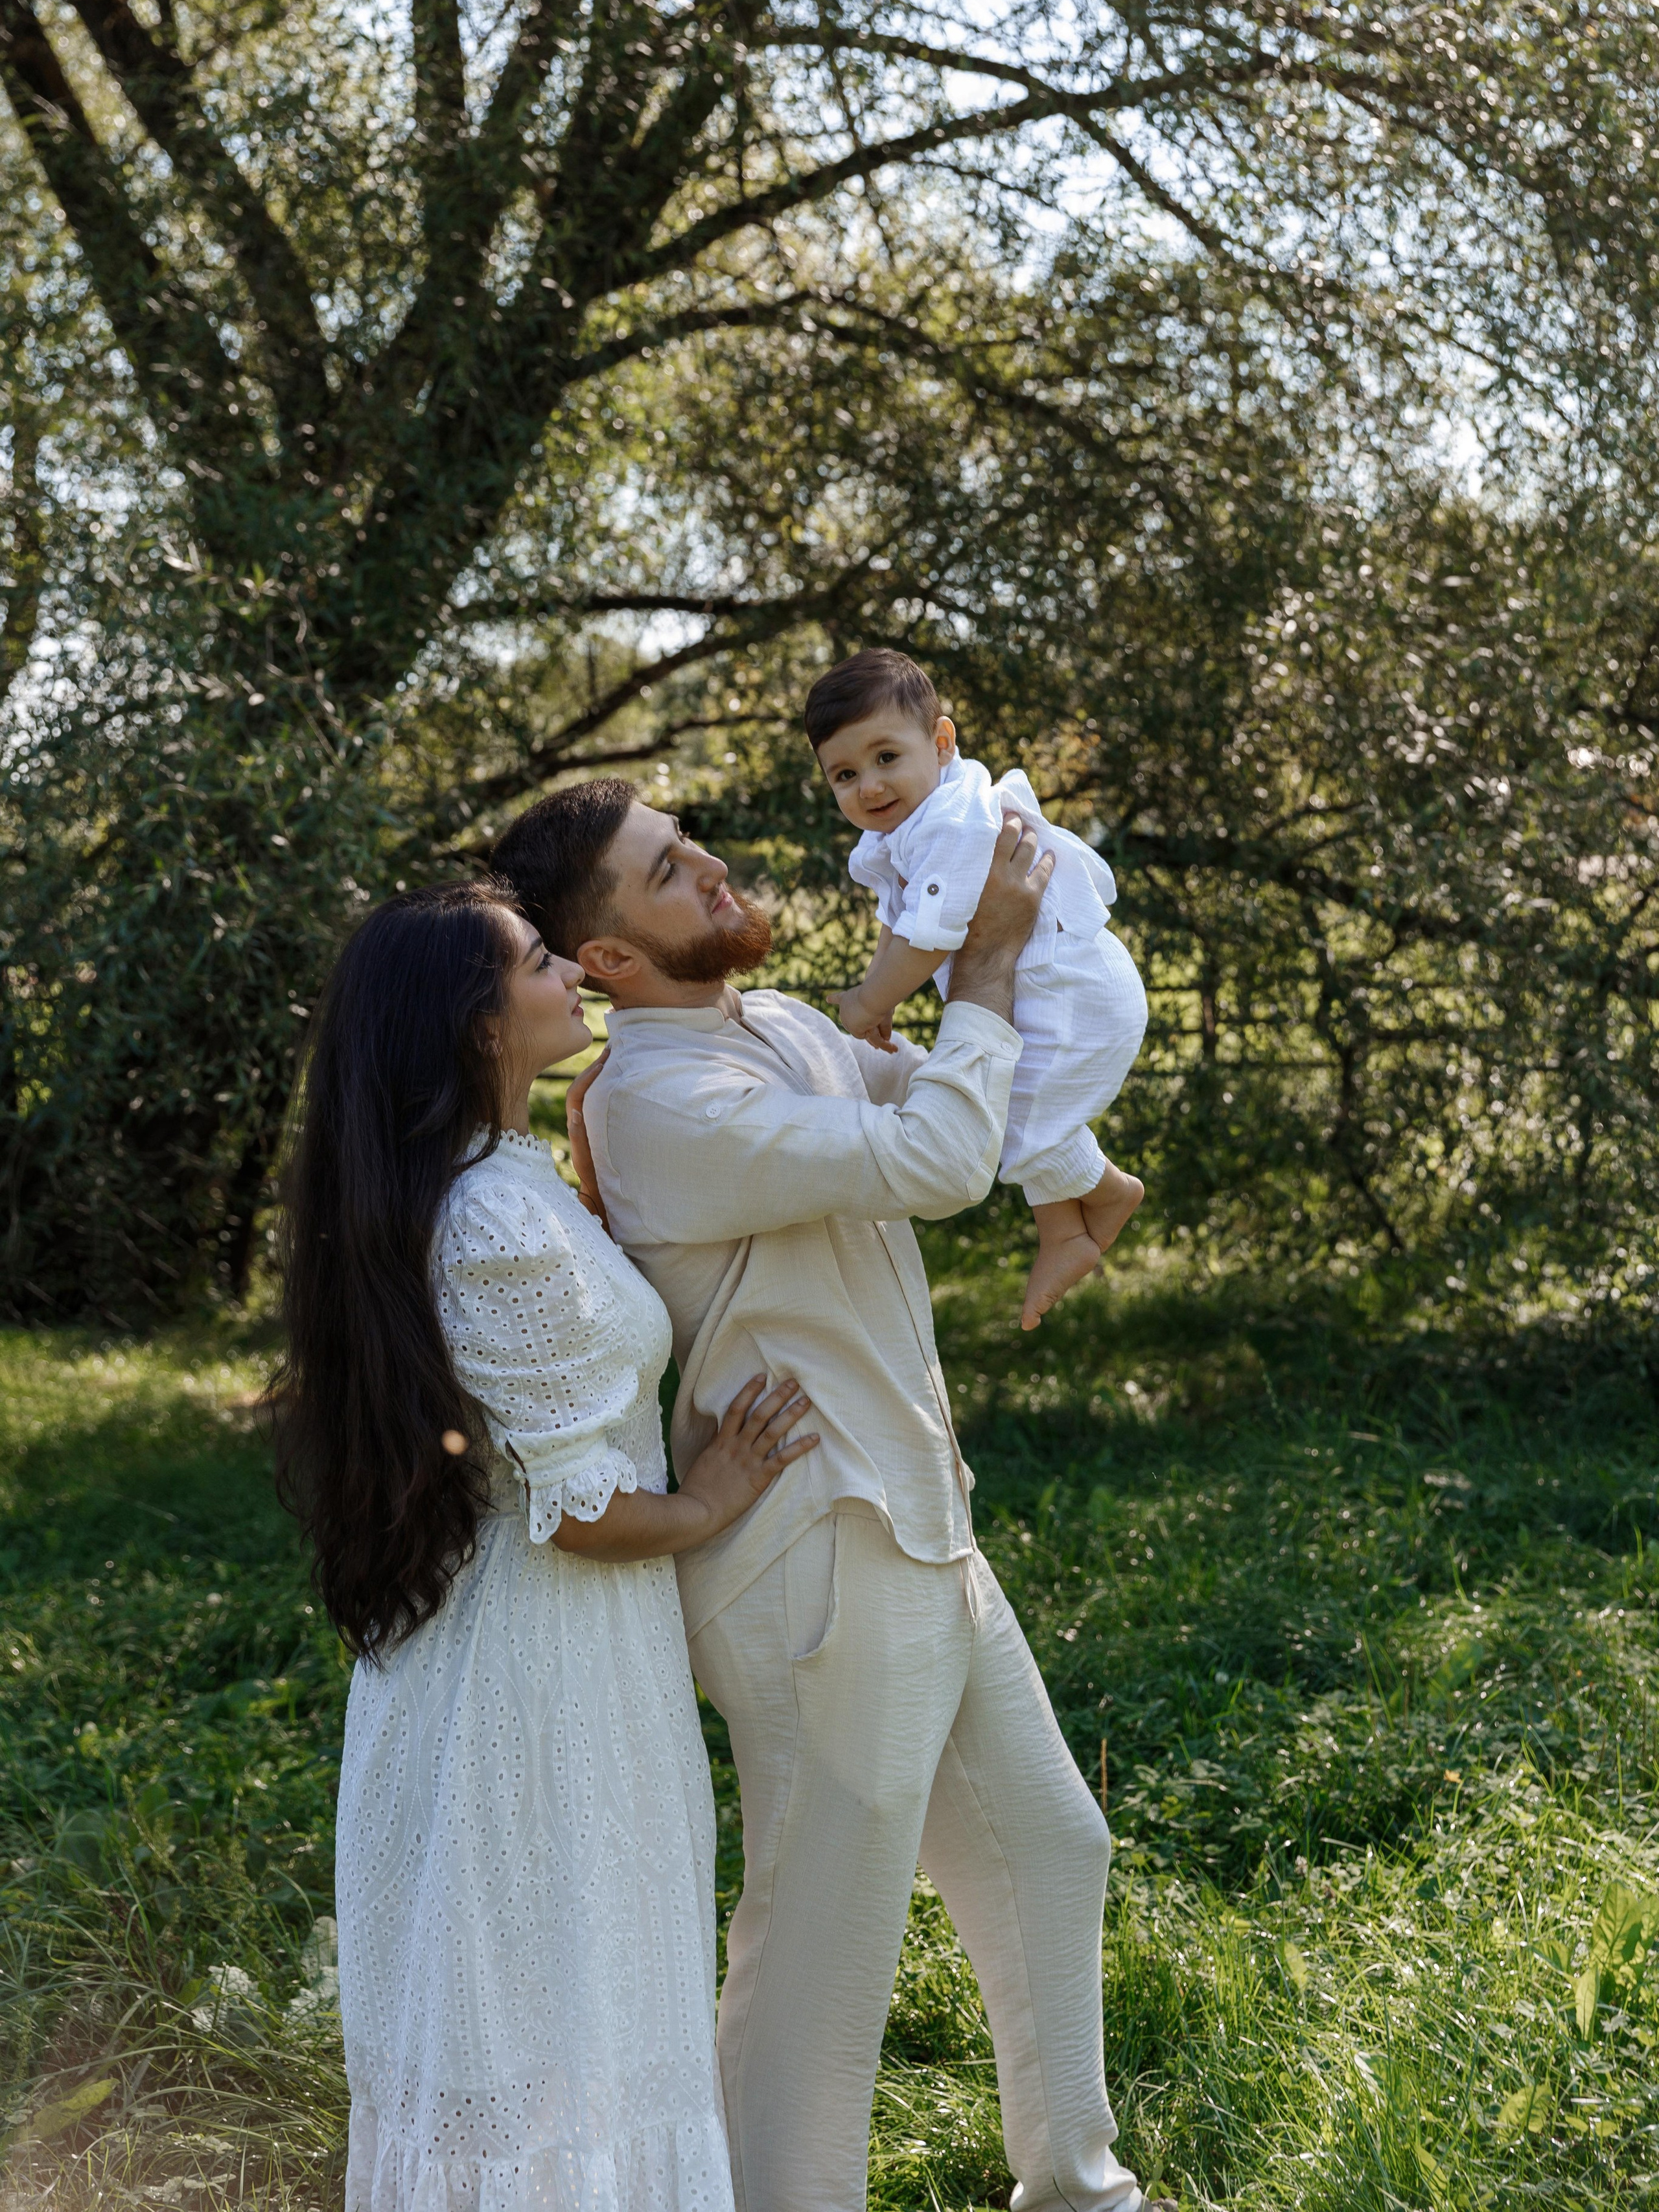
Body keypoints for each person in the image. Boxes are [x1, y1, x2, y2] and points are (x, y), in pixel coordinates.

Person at [491, 787, 1178, 2212]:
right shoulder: (660, 1099)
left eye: (691, 847)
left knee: (1052, 1844)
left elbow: (961, 1123)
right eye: (669, 873)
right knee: (824, 1945)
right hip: (808, 1555)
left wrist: (1042, 984)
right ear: (607, 961)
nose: (714, 870)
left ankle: (1080, 2192)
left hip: (916, 1515)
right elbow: (929, 1164)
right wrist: (977, 959)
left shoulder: (784, 1028)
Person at [269, 878, 816, 2212]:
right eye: (533, 961)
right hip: (540, 1680)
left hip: (534, 1660)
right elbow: (577, 1511)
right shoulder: (495, 1225)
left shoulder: (492, 1187)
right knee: (553, 2004)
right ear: (473, 1022)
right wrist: (709, 1497)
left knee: (550, 2007)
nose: (569, 964)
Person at [807, 647, 1150, 1330]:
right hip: (1049, 992)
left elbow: (931, 934)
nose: (868, 786)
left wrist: (869, 1002)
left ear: (940, 743)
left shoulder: (952, 821)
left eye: (885, 758)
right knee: (1009, 1110)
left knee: (1015, 1115)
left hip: (1077, 993)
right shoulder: (900, 834)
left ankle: (1102, 1199)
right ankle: (1070, 1229)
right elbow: (899, 922)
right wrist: (887, 994)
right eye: (845, 775)